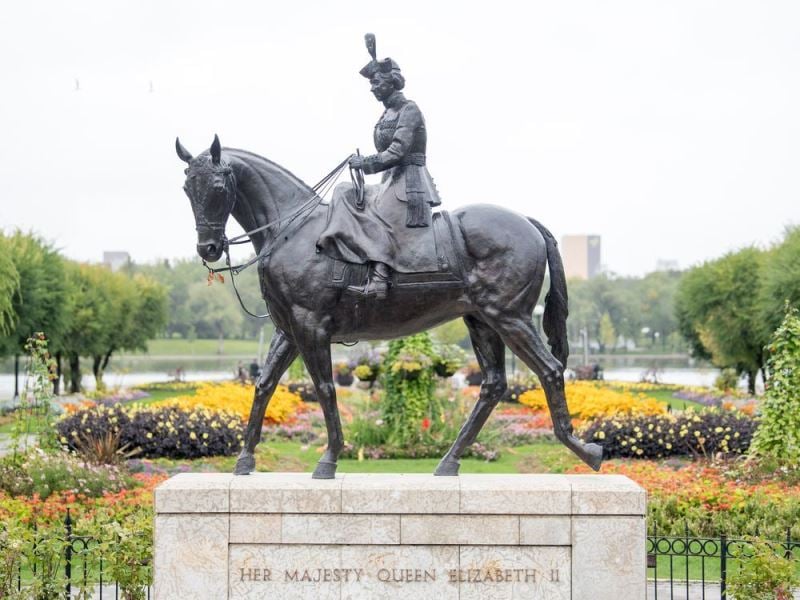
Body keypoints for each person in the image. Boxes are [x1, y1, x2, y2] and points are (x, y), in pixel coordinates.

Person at [317, 33, 441, 299]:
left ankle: (380, 279)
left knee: (377, 216)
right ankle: (342, 258)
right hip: (390, 181)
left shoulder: (409, 110)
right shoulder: (387, 113)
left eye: (376, 82)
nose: (372, 88)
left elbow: (397, 151)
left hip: (409, 183)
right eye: (371, 83)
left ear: (390, 82)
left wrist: (365, 163)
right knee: (343, 191)